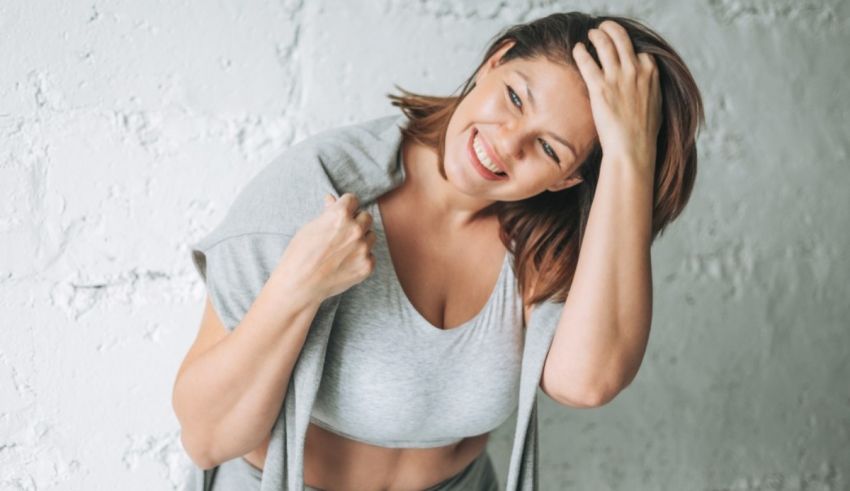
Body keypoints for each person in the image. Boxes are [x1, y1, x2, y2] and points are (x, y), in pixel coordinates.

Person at [172, 11, 704, 491]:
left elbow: (587, 382)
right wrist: (296, 287)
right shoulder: (317, 189)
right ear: (495, 61)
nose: (508, 141)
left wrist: (628, 156)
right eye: (516, 97)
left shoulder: (544, 245)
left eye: (548, 148)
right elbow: (207, 438)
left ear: (568, 180)